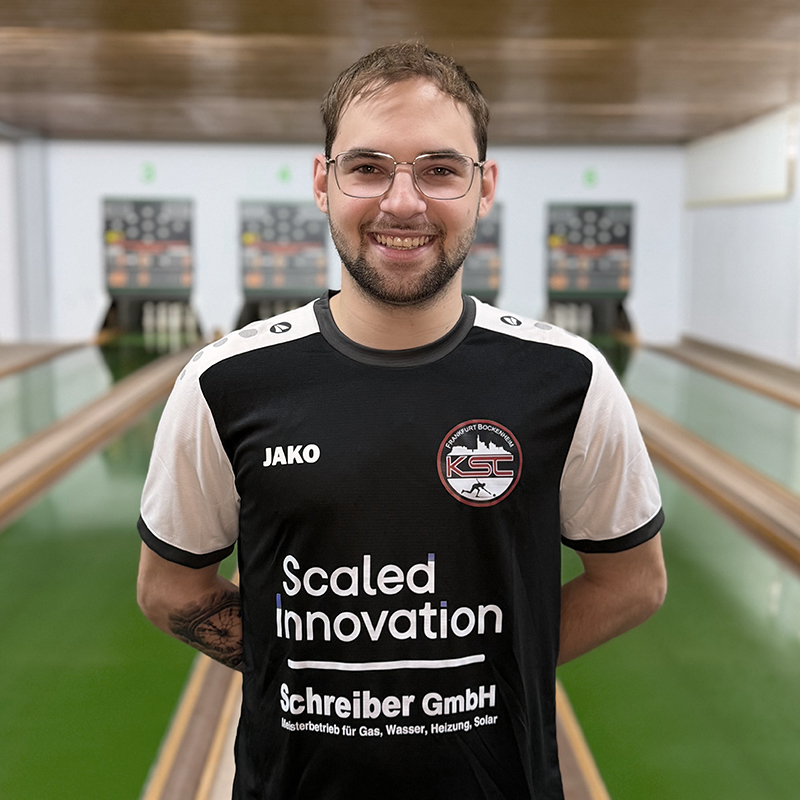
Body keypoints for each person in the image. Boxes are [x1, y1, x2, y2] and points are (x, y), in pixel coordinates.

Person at [137, 42, 667, 800]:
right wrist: (313, 672)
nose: (403, 202)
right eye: (368, 167)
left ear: (485, 187)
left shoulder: (569, 379)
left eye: (440, 170)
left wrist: (481, 673)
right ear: (323, 183)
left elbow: (633, 584)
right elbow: (168, 589)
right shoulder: (223, 383)